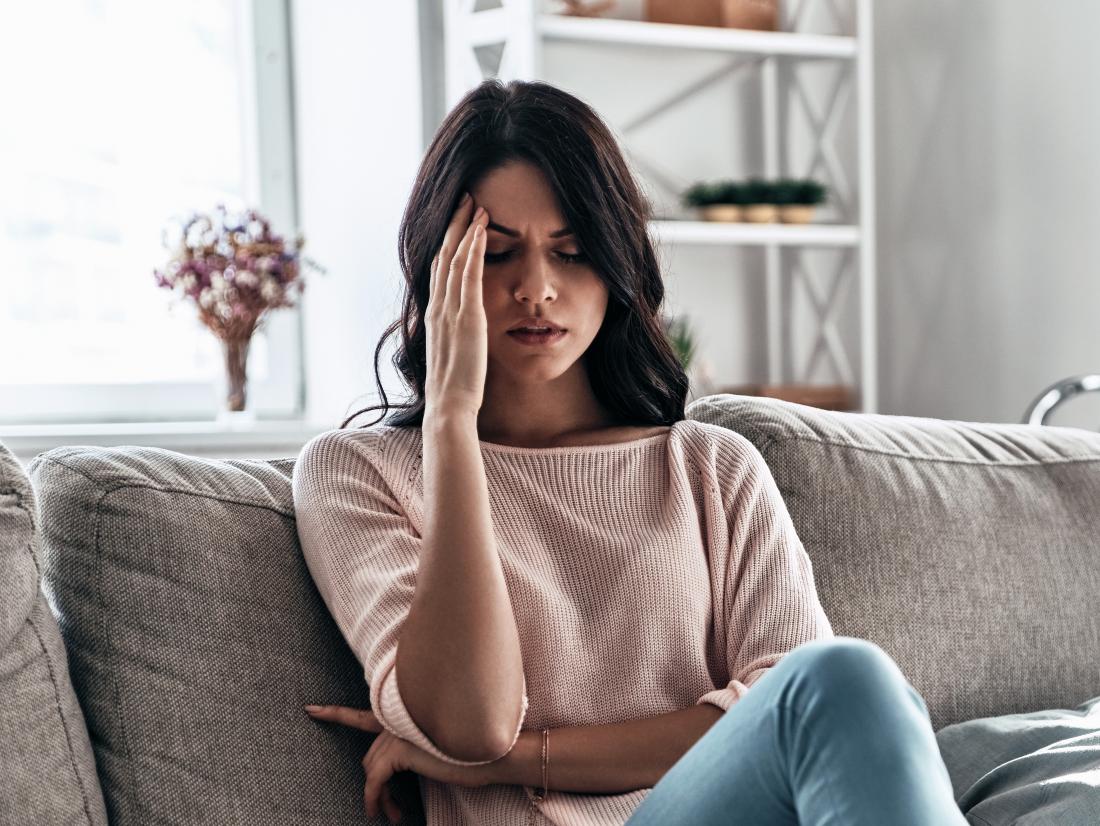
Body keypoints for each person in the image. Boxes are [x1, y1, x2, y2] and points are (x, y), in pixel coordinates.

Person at [290, 78, 967, 826]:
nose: (537, 288)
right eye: (497, 255)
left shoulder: (712, 467)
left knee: (843, 678)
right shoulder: (357, 473)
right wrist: (452, 423)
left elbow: (776, 711)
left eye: (572, 252)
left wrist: (523, 758)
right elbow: (472, 723)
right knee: (839, 677)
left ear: (614, 264)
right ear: (437, 269)